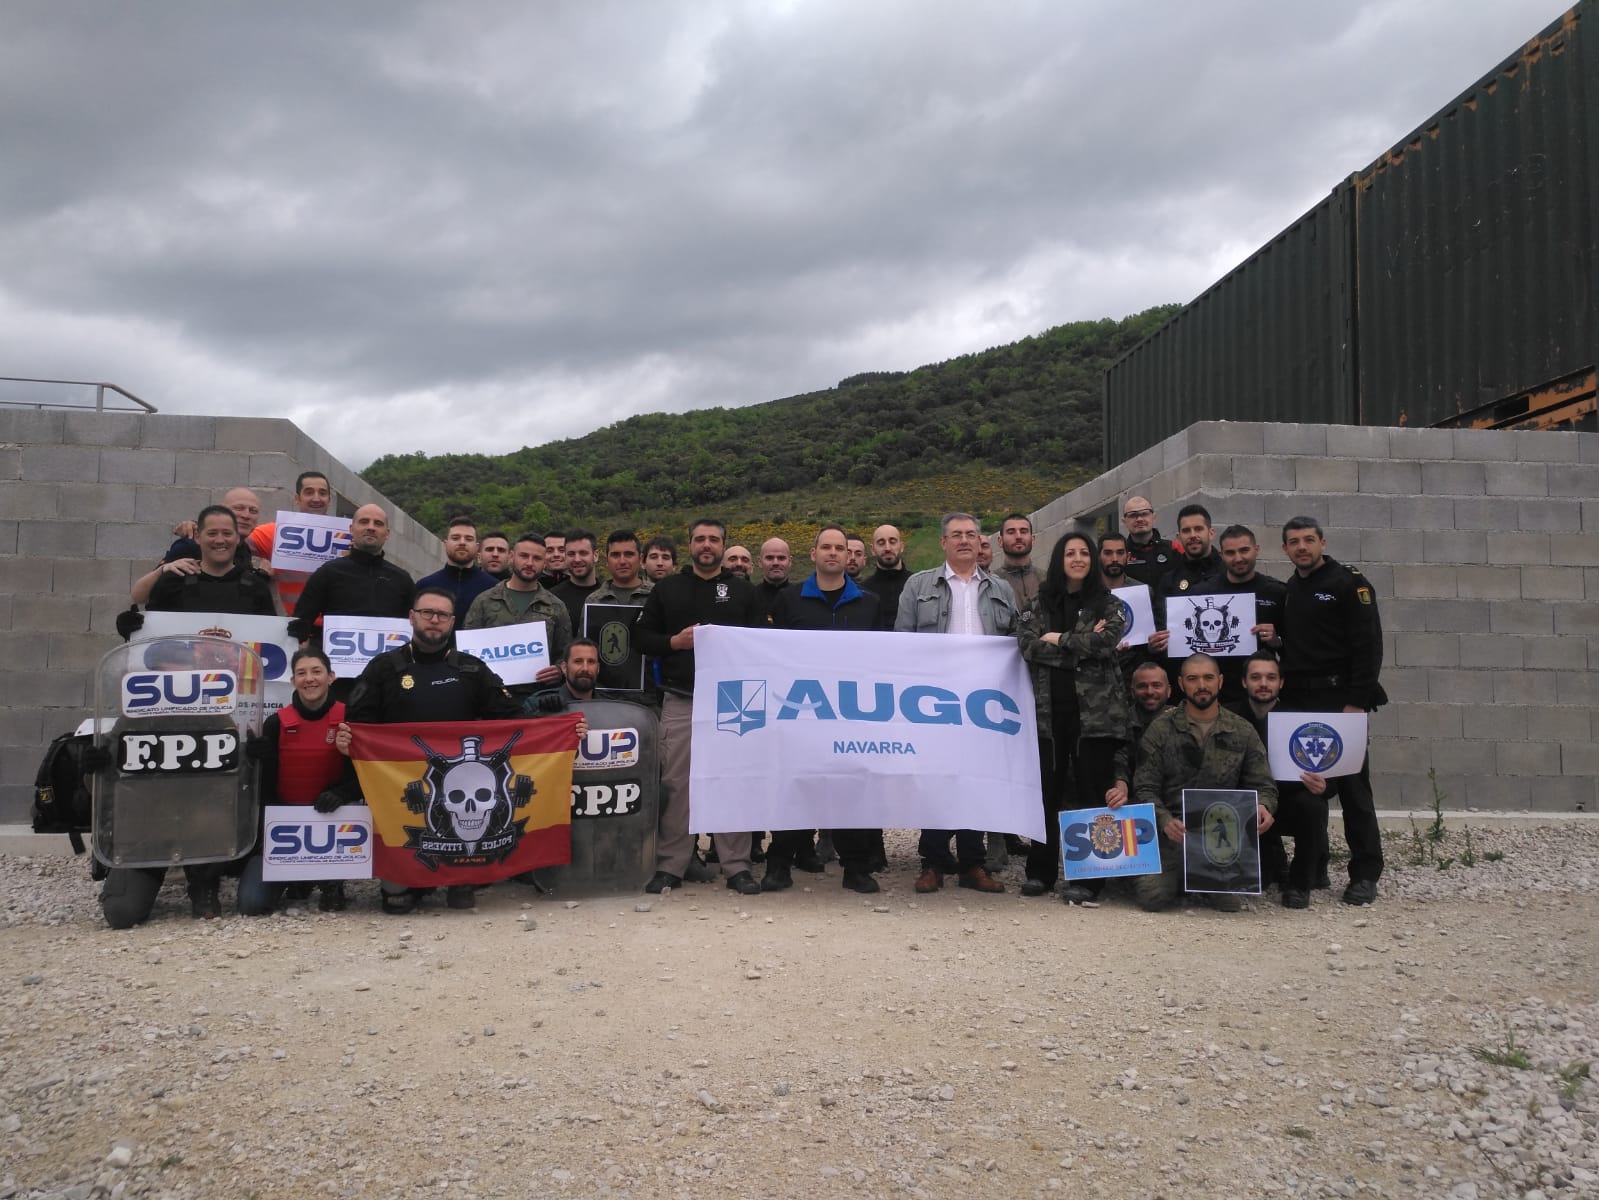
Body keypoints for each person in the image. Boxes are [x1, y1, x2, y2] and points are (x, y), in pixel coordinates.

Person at [334, 585, 522, 914]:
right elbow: (358, 723)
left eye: (442, 615)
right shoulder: (383, 668)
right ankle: (402, 879)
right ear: (412, 617)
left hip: (460, 784)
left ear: (452, 622)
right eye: (427, 613)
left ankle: (461, 877)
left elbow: (513, 721)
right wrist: (349, 743)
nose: (434, 620)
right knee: (396, 902)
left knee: (461, 896)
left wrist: (562, 726)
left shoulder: (472, 669)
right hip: (398, 787)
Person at [635, 518, 764, 895]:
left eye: (714, 539)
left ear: (724, 546)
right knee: (676, 783)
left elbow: (763, 643)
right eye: (699, 539)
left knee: (733, 781)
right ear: (689, 544)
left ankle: (736, 864)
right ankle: (671, 865)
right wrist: (674, 642)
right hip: (682, 696)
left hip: (736, 701)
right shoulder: (667, 589)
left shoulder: (745, 592)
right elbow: (640, 637)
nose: (706, 545)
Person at [894, 512, 1018, 895]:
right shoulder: (918, 586)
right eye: (956, 535)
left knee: (975, 780)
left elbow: (1014, 641)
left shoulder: (1001, 589)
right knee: (936, 779)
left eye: (971, 534)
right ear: (943, 543)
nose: (965, 540)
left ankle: (971, 864)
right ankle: (932, 862)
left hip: (984, 701)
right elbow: (902, 643)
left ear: (981, 542)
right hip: (933, 700)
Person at [764, 525, 884, 894]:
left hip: (851, 714)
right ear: (813, 553)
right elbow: (771, 654)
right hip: (801, 713)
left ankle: (856, 868)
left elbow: (883, 659)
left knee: (851, 789)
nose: (833, 553)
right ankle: (779, 862)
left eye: (840, 548)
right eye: (825, 547)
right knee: (796, 786)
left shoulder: (870, 602)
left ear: (849, 556)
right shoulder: (789, 599)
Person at [1278, 516, 1388, 906]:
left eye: (1309, 540)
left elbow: (1369, 646)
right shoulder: (1293, 587)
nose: (1302, 547)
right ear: (1285, 549)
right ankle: (1316, 865)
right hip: (1300, 701)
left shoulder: (1348, 583)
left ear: (1322, 542)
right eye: (1294, 542)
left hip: (1341, 701)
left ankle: (1364, 874)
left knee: (1354, 791)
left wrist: (1355, 703)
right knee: (1307, 786)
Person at [1017, 531, 1129, 902]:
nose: (1078, 558)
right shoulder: (1040, 601)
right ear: (1059, 560)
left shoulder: (1108, 603)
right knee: (1046, 794)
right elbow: (1027, 645)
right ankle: (1041, 872)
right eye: (1070, 553)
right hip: (1048, 716)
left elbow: (1104, 642)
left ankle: (1090, 878)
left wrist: (1056, 638)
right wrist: (1076, 642)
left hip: (1094, 718)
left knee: (1090, 792)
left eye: (1084, 553)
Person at [1130, 653, 1277, 913]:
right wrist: (1164, 821)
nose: (1201, 685)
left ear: (1220, 681)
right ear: (1181, 683)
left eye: (1208, 678)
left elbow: (1263, 784)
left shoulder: (1241, 730)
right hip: (1174, 833)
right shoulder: (1161, 729)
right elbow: (1144, 788)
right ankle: (1184, 876)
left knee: (1229, 904)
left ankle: (1202, 880)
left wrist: (1264, 806)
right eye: (1193, 679)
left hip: (1220, 836)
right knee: (1153, 898)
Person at [237, 647, 350, 915]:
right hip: (287, 824)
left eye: (316, 671)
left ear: (331, 676)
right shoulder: (277, 723)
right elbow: (265, 787)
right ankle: (297, 877)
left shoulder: (349, 718)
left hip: (334, 817)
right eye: (301, 673)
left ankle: (332, 881)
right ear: (293, 681)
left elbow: (364, 773)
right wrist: (257, 761)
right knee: (252, 905)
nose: (309, 679)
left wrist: (343, 793)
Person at [1228, 651, 1330, 909]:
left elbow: (1327, 770)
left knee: (1314, 804)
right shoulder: (1226, 716)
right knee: (1260, 881)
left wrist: (1324, 785)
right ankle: (1270, 863)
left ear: (1281, 683)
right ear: (1244, 682)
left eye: (1271, 677)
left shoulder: (1302, 721)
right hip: (1241, 808)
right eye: (1256, 677)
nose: (1264, 683)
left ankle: (1299, 884)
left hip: (1286, 804)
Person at [288, 504, 415, 655]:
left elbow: (416, 626)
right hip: (336, 668)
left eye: (378, 524)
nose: (371, 527)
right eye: (364, 522)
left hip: (387, 671)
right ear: (351, 529)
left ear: (387, 534)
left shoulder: (402, 579)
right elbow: (301, 621)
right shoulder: (328, 573)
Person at [462, 533, 569, 688]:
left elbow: (565, 653)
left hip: (538, 698)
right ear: (512, 556)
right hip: (491, 697)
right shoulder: (484, 602)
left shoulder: (556, 607)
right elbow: (468, 654)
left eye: (537, 558)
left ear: (544, 563)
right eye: (524, 556)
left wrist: (559, 670)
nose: (529, 563)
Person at [1197, 524, 1287, 706]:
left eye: (1244, 550)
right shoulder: (1202, 592)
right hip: (1215, 691)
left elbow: (1292, 646)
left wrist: (1276, 639)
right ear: (1221, 556)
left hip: (1258, 693)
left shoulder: (1276, 592)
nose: (1238, 558)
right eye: (1230, 553)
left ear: (1256, 550)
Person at [130, 486, 267, 605]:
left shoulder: (245, 550)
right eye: (239, 508)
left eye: (253, 511)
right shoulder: (190, 546)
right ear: (222, 510)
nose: (246, 515)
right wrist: (163, 569)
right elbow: (139, 596)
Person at [141, 505, 277, 618]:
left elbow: (270, 640)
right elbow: (153, 635)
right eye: (212, 533)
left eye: (227, 533)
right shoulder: (173, 581)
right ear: (198, 537)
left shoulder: (256, 587)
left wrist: (290, 635)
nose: (219, 540)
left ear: (237, 538)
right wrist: (136, 628)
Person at [249, 470, 336, 614]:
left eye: (322, 493)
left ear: (329, 499)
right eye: (309, 492)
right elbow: (232, 544)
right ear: (297, 498)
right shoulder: (276, 533)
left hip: (335, 628)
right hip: (295, 627)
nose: (316, 498)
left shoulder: (348, 536)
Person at [417, 516, 498, 614]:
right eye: (455, 538)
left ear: (477, 547)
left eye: (468, 539)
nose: (462, 543)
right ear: (445, 544)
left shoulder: (494, 588)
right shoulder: (425, 586)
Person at [861, 524, 912, 632]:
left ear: (901, 546)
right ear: (872, 549)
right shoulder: (863, 590)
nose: (887, 548)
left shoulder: (917, 585)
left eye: (892, 542)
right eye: (881, 543)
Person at [552, 529, 603, 631]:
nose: (577, 559)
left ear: (595, 555)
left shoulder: (609, 597)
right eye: (571, 554)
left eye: (583, 553)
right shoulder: (552, 599)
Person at [1121, 495, 1175, 589]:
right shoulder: (1119, 553)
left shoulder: (1174, 549)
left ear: (1154, 517)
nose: (1139, 519)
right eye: (1133, 515)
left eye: (1144, 513)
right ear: (1124, 521)